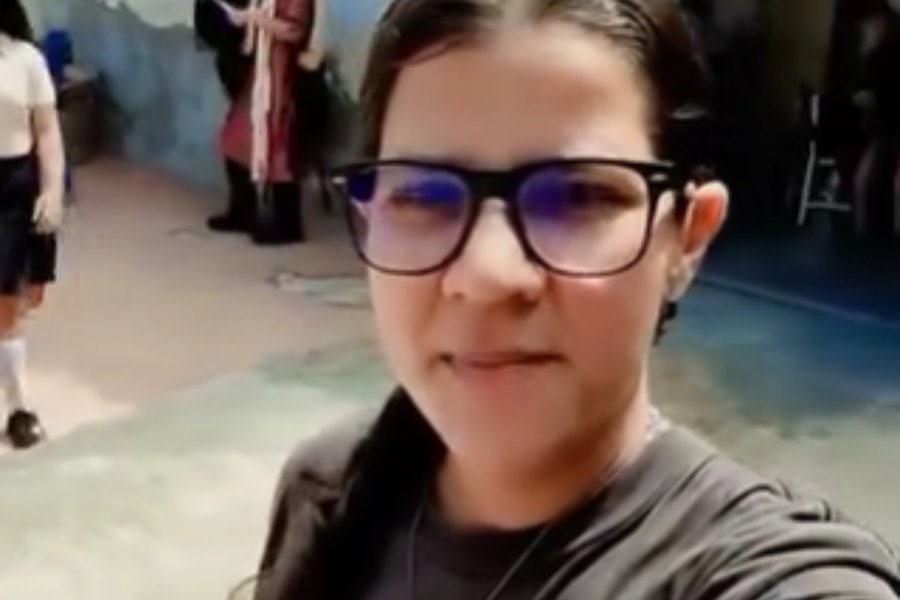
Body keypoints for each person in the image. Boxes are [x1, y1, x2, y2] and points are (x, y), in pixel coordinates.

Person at [247, 0, 900, 598]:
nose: (488, 274)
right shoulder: (333, 492)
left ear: (688, 237)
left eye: (578, 197)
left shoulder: (759, 576)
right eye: (420, 195)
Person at [0, 0, 64, 449]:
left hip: (12, 187)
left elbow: (47, 130)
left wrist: (53, 189)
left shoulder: (26, 60)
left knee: (8, 302)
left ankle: (20, 408)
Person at [204, 0, 314, 246]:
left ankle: (288, 226)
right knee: (235, 139)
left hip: (283, 76)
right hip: (259, 73)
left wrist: (254, 18)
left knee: (280, 149)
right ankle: (242, 211)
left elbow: (294, 31)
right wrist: (240, 19)